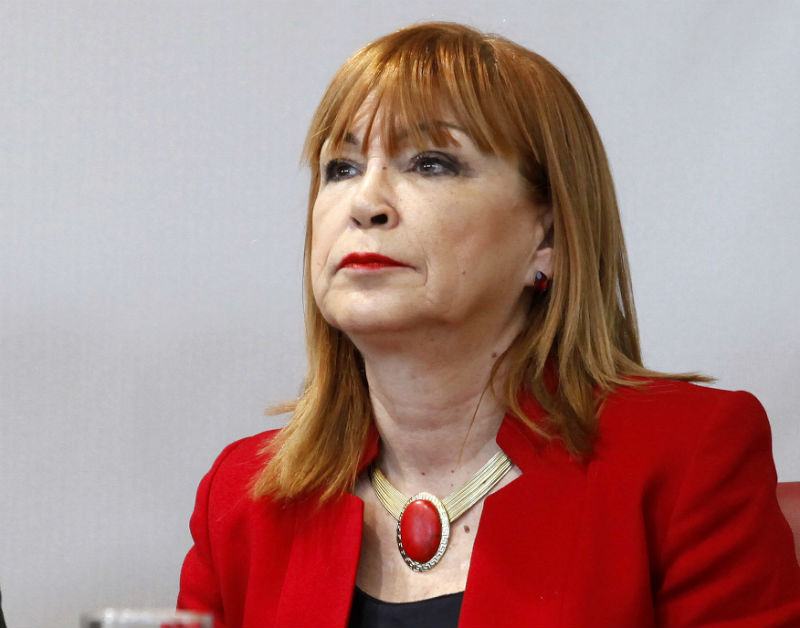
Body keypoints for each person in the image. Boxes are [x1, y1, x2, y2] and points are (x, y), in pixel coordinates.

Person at [177, 22, 800, 627]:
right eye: (341, 167)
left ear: (547, 238)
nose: (365, 203)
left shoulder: (686, 458)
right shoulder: (241, 497)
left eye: (431, 163)